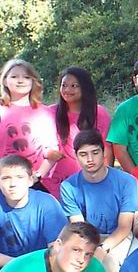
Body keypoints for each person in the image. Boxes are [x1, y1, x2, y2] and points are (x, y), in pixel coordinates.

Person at [59, 130, 138, 272]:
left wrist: (102, 249)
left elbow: (124, 227)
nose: (90, 159)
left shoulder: (127, 182)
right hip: (86, 238)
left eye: (95, 153)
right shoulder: (68, 187)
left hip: (119, 236)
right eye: (83, 154)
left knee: (108, 264)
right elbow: (80, 229)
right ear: (76, 156)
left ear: (104, 153)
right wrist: (90, 250)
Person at [0, 58, 58, 192]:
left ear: (33, 81)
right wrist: (4, 173)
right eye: (14, 77)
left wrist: (38, 176)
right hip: (0, 181)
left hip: (35, 182)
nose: (20, 81)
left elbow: (53, 151)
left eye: (26, 77)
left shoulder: (45, 113)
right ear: (5, 81)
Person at [42, 66, 111, 198]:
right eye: (64, 85)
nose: (67, 90)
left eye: (74, 86)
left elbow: (106, 150)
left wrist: (105, 180)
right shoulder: (50, 113)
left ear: (85, 88)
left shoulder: (99, 113)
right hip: (54, 186)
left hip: (90, 182)